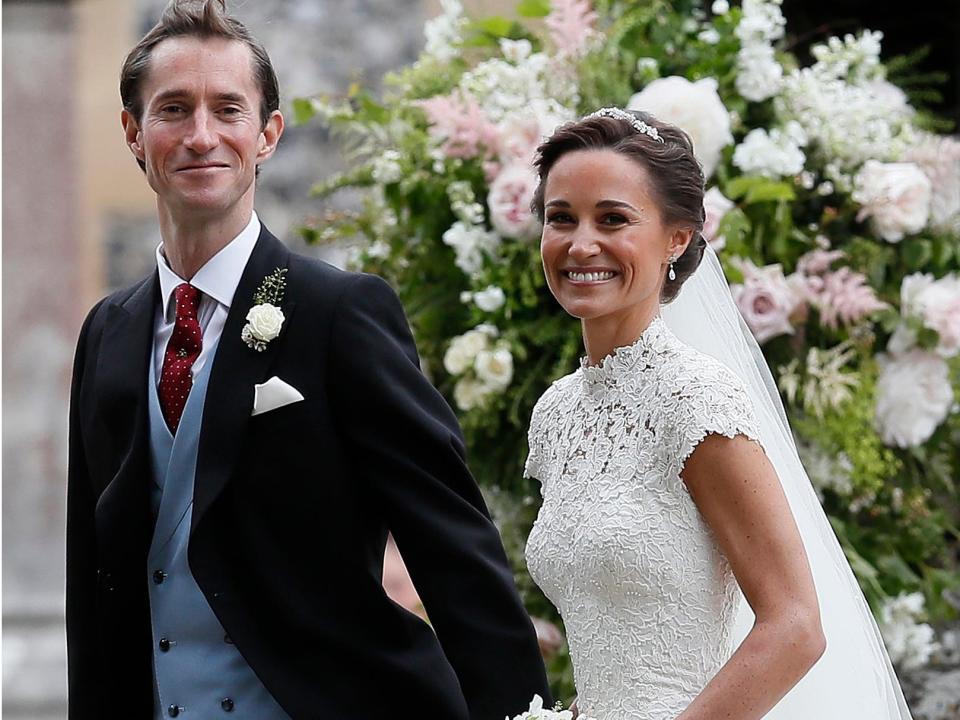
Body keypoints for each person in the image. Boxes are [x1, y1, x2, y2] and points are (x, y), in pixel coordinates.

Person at [65, 2, 550, 718]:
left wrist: (519, 714)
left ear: (267, 135)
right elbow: (92, 578)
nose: (202, 136)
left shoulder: (340, 315)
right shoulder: (107, 331)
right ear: (136, 133)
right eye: (174, 109)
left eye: (227, 109)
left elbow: (451, 546)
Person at [523, 107, 913, 719]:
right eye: (561, 218)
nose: (581, 244)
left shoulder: (696, 399)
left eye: (613, 219)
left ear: (676, 238)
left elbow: (796, 625)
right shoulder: (556, 414)